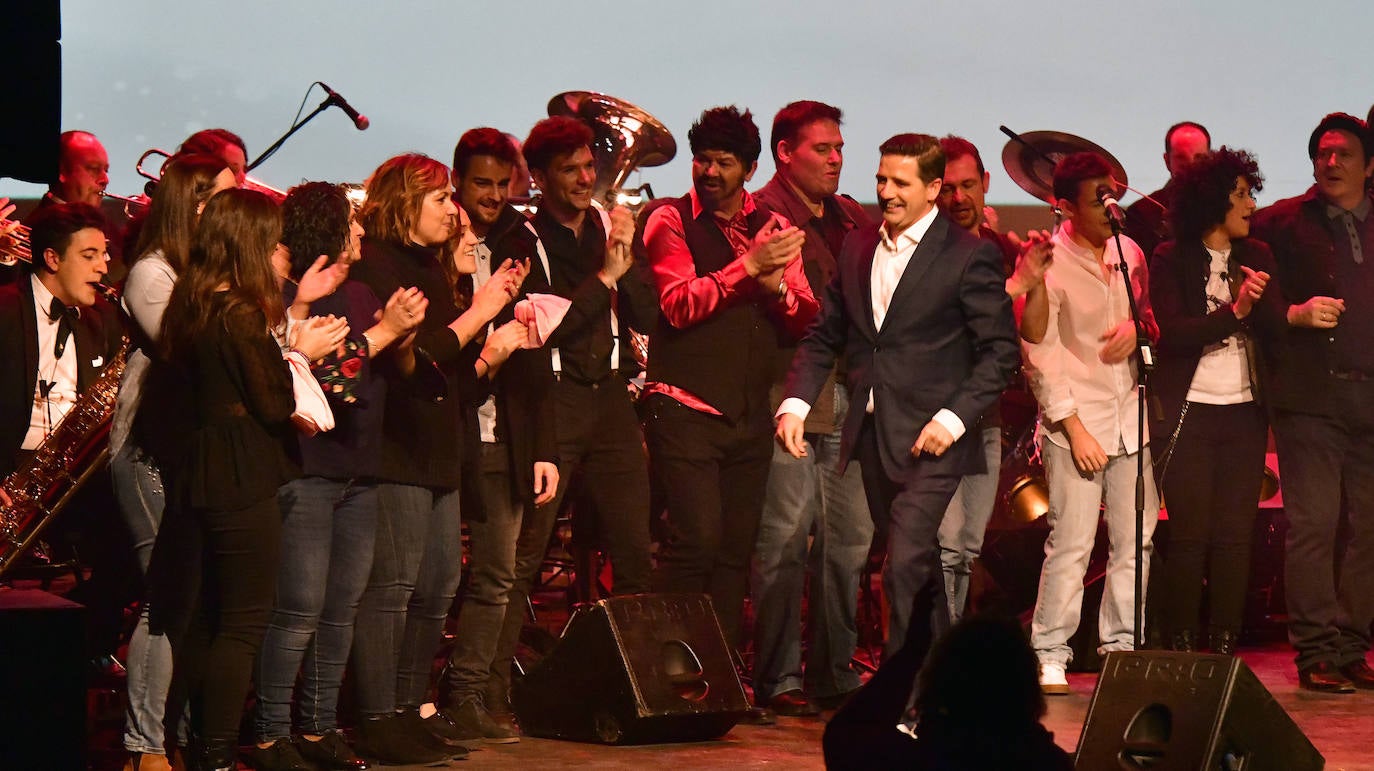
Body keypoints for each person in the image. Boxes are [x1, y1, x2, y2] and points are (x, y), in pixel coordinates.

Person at [777, 133, 1020, 662]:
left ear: (933, 188)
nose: (886, 192)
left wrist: (953, 419)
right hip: (872, 433)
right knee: (919, 561)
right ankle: (940, 680)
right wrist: (796, 402)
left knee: (905, 559)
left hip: (937, 436)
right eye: (881, 180)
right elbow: (826, 333)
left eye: (900, 183)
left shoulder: (969, 255)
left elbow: (1000, 353)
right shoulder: (859, 245)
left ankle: (903, 698)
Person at [147, 188, 345, 771]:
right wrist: (297, 352)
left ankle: (187, 747)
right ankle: (213, 755)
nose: (280, 249)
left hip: (203, 472)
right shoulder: (237, 314)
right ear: (248, 243)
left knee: (207, 619)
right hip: (238, 474)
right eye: (272, 239)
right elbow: (272, 401)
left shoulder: (194, 304)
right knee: (242, 623)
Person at [346, 153, 525, 762]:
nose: (454, 210)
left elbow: (449, 370)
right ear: (404, 203)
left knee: (436, 587)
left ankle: (406, 707)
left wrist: (486, 341)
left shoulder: (429, 265)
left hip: (440, 448)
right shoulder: (379, 264)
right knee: (392, 588)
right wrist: (484, 311)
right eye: (441, 199)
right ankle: (375, 715)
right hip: (397, 448)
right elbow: (419, 358)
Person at [246, 182, 430, 771]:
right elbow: (329, 386)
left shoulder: (356, 290)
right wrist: (380, 333)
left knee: (340, 609)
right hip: (310, 472)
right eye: (350, 223)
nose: (360, 232)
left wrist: (402, 333)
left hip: (361, 470)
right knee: (299, 608)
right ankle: (273, 734)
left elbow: (386, 374)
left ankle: (320, 728)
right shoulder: (301, 292)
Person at [487, 117, 660, 717]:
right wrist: (604, 279)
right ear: (538, 178)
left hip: (610, 395)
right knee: (525, 554)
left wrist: (626, 262)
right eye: (571, 170)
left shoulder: (606, 229)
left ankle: (639, 686)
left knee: (634, 547)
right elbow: (547, 324)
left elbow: (646, 314)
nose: (588, 178)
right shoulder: (521, 237)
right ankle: (489, 693)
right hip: (553, 398)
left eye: (591, 166)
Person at [641, 105, 818, 688]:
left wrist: (777, 293)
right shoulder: (667, 219)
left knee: (733, 551)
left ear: (748, 167)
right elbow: (678, 303)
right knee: (695, 539)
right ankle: (660, 666)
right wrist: (749, 269)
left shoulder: (770, 225)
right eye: (702, 160)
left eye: (723, 162)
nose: (709, 171)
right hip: (684, 402)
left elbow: (806, 315)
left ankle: (710, 676)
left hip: (747, 413)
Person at [742, 100, 872, 718]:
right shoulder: (762, 213)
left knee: (850, 539)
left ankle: (833, 671)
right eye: (823, 148)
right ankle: (778, 678)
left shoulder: (850, 216)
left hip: (853, 394)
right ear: (785, 152)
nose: (836, 159)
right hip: (791, 390)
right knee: (786, 537)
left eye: (840, 148)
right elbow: (786, 307)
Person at [109, 153, 236, 771]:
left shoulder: (209, 273)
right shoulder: (154, 272)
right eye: (222, 199)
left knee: (198, 601)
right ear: (193, 203)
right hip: (149, 448)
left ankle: (176, 735)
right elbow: (189, 351)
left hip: (197, 452)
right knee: (167, 595)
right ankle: (143, 745)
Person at [436, 127, 559, 743]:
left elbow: (537, 352)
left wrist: (542, 449)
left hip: (502, 433)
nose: (491, 195)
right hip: (441, 431)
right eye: (479, 183)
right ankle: (405, 704)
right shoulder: (436, 240)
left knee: (497, 575)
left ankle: (470, 694)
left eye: (500, 184)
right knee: (425, 579)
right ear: (457, 181)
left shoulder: (521, 239)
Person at [1022, 152, 1160, 695]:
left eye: (1113, 193)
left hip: (1131, 415)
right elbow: (1039, 352)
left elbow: (1145, 317)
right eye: (1097, 197)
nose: (1110, 205)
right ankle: (1050, 651)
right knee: (1074, 543)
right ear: (1065, 207)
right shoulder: (1050, 264)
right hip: (1075, 421)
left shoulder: (1130, 252)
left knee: (1136, 540)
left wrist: (1137, 326)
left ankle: (1120, 645)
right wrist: (1073, 426)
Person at [1251, 112, 1374, 693]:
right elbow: (1245, 293)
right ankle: (1316, 650)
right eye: (1323, 153)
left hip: (1371, 398)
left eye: (1344, 154)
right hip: (1310, 399)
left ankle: (1352, 646)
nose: (1331, 163)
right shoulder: (1280, 224)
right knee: (1316, 525)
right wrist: (1292, 314)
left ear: (1368, 165)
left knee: (1369, 530)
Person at [1149, 148, 1282, 657]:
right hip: (1192, 412)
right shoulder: (1171, 257)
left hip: (1246, 414)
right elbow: (1175, 336)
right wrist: (1236, 309)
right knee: (1188, 536)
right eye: (1241, 195)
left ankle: (1225, 645)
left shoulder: (1261, 256)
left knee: (1235, 536)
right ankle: (1183, 644)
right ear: (1212, 202)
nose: (1251, 205)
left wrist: (1272, 310)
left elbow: (1271, 331)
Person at [933, 135, 1053, 624]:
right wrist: (1019, 283)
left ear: (985, 184)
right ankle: (925, 658)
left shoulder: (995, 246)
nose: (959, 198)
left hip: (984, 413)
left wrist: (1036, 279)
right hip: (933, 415)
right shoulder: (921, 245)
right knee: (941, 547)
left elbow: (1029, 328)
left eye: (968, 186)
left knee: (966, 545)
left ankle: (953, 653)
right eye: (947, 188)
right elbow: (948, 321)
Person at [1124, 122, 1211, 262]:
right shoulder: (1141, 213)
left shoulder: (1226, 207)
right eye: (1181, 158)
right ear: (1167, 161)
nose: (1191, 166)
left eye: (1199, 158)